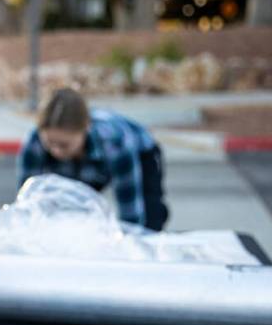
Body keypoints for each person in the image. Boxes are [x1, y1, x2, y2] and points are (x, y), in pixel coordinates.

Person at [18, 88, 169, 230]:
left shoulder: (114, 144)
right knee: (69, 212)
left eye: (64, 145)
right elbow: (28, 203)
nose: (56, 151)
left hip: (140, 152)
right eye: (50, 143)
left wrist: (132, 245)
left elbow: (130, 209)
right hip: (87, 161)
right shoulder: (33, 144)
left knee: (149, 216)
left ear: (86, 129)